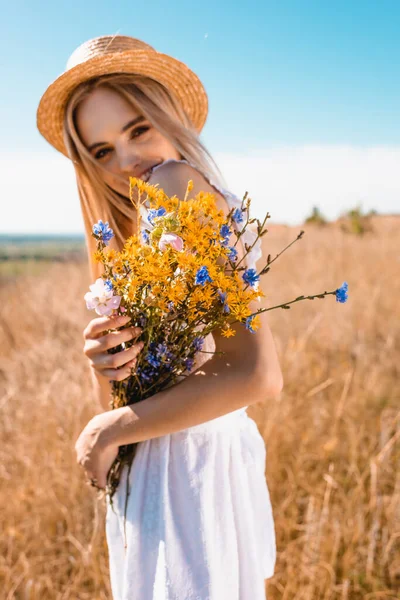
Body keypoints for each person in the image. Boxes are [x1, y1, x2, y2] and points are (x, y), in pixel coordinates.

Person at [37, 34, 283, 600]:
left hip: (188, 472)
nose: (125, 161)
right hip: (174, 463)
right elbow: (138, 394)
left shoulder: (177, 184)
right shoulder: (145, 221)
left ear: (168, 117)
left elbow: (257, 374)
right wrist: (109, 365)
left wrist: (107, 429)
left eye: (136, 129)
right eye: (100, 151)